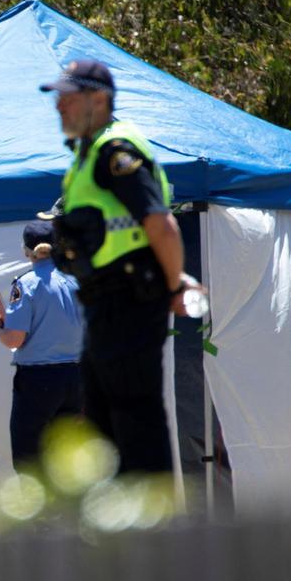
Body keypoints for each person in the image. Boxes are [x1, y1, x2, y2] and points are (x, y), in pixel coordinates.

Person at [39, 58, 204, 473]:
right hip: (105, 303)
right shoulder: (88, 155)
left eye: (69, 98)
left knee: (135, 416)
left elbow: (160, 223)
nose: (60, 107)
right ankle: (119, 524)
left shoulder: (115, 151)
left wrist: (172, 286)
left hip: (130, 298)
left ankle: (155, 527)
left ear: (99, 99)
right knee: (101, 419)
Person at [0, 220, 83, 471]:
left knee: (30, 459)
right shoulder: (77, 279)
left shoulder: (26, 284)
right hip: (78, 377)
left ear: (26, 250)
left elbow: (15, 339)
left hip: (39, 380)